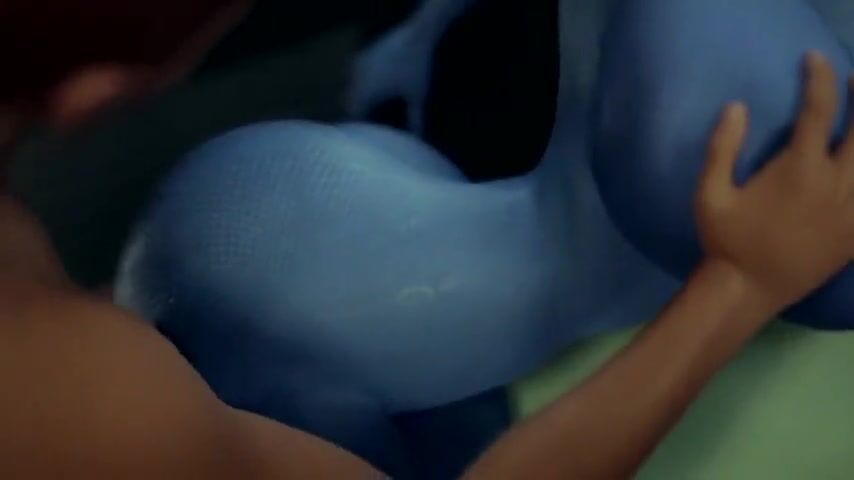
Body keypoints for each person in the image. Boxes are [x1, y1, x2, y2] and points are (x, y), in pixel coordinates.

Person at [1, 2, 853, 479]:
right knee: (259, 274)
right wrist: (742, 284)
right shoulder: (61, 391)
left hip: (200, 330)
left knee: (242, 264)